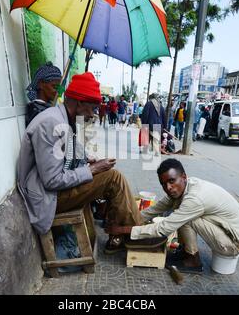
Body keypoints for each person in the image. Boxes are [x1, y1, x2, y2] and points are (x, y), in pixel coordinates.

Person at [17, 72, 164, 255]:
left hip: (53, 190)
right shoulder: (51, 123)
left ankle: (119, 235)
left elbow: (67, 152)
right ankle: (137, 234)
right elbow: (52, 181)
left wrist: (87, 161)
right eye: (93, 108)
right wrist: (92, 169)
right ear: (79, 103)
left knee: (110, 177)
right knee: (113, 178)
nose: (94, 114)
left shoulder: (63, 119)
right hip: (46, 196)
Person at [106, 158, 239, 273]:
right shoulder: (184, 188)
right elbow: (153, 210)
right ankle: (185, 252)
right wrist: (129, 220)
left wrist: (123, 230)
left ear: (183, 177)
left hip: (233, 243)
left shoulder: (194, 198)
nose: (168, 188)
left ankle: (193, 260)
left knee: (183, 217)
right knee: (181, 213)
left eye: (171, 181)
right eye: (163, 184)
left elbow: (164, 228)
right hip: (224, 232)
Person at [25, 62, 62, 127]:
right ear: (41, 84)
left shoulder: (46, 107)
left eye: (58, 87)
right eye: (54, 86)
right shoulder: (36, 111)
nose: (57, 91)